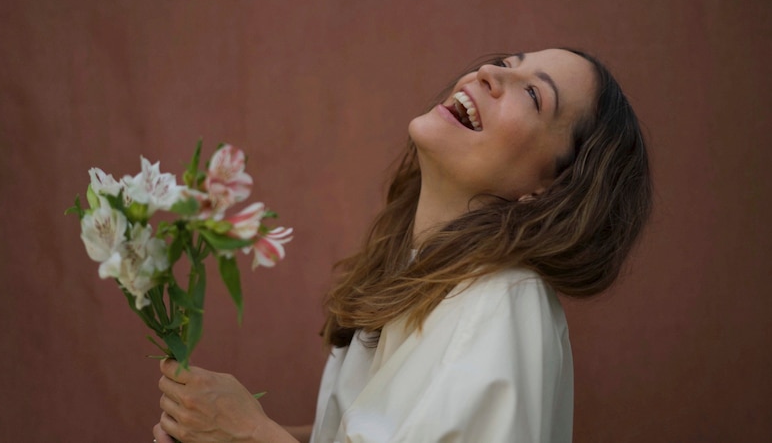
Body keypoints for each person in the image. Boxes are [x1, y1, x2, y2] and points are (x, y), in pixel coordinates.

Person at [153, 48, 652, 443]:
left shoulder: (505, 303)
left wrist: (250, 434)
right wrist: (220, 428)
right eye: (505, 63)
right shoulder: (418, 273)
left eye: (534, 97)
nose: (487, 73)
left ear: (551, 188)